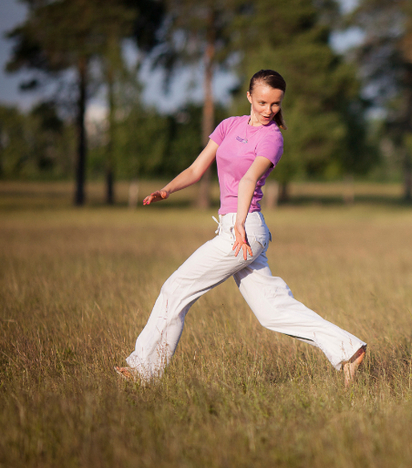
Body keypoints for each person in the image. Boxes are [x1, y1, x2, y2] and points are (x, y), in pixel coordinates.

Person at [115, 69, 366, 386]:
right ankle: (349, 349)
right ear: (249, 97)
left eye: (275, 104)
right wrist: (166, 190)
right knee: (272, 311)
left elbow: (249, 179)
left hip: (245, 228)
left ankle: (144, 371)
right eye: (262, 102)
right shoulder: (228, 126)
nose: (268, 110)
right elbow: (196, 169)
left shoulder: (272, 138)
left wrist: (237, 228)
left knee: (175, 289)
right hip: (236, 227)